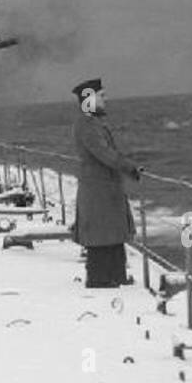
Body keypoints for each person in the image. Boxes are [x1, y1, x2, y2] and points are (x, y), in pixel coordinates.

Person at [71, 78, 141, 288]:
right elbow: (104, 153)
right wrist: (129, 167)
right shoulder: (87, 124)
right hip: (98, 188)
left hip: (105, 187)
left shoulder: (93, 123)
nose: (106, 99)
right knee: (101, 235)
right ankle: (100, 279)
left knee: (113, 232)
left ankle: (116, 275)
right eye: (101, 96)